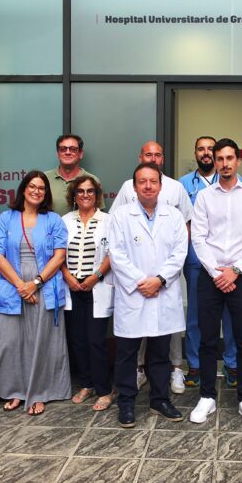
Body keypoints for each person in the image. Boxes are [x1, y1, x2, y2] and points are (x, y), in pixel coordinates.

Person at [189, 138, 242, 428]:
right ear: (215, 161)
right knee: (208, 339)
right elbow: (198, 238)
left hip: (241, 276)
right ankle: (207, 396)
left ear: (238, 161)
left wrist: (234, 270)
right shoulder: (204, 197)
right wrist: (216, 272)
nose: (224, 163)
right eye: (219, 158)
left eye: (229, 158)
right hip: (210, 277)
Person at [107, 163, 189, 428]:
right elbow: (116, 254)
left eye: (153, 181)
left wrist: (160, 280)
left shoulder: (173, 216)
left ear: (160, 186)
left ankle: (159, 400)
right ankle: (126, 402)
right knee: (127, 354)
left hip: (162, 292)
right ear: (134, 186)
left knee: (160, 353)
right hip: (134, 294)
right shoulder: (121, 216)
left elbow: (180, 252)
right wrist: (142, 282)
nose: (148, 186)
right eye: (142, 181)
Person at [0, 170, 70, 416]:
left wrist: (35, 283)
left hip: (44, 285)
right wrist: (21, 286)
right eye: (32, 186)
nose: (36, 191)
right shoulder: (6, 218)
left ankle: (39, 393)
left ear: (46, 193)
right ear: (24, 189)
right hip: (11, 285)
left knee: (41, 342)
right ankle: (15, 390)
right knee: (10, 342)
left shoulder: (53, 220)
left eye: (41, 188)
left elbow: (59, 257)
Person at [178, 135, 241, 389]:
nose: (205, 153)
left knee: (231, 315)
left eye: (209, 149)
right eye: (200, 149)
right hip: (196, 260)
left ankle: (232, 363)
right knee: (196, 315)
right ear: (195, 153)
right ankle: (194, 364)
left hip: (228, 263)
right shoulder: (183, 185)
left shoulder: (234, 179)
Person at [61, 175, 115, 411]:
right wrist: (68, 277)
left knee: (96, 341)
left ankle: (104, 390)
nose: (85, 195)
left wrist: (96, 276)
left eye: (90, 191)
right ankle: (86, 384)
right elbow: (57, 253)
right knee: (78, 340)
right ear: (74, 195)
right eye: (80, 191)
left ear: (97, 195)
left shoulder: (108, 220)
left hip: (97, 286)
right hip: (72, 287)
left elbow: (113, 253)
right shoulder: (65, 221)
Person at [45, 135, 97, 216]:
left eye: (73, 149)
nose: (68, 152)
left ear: (80, 154)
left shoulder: (92, 180)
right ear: (58, 153)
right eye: (63, 149)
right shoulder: (44, 179)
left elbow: (98, 214)